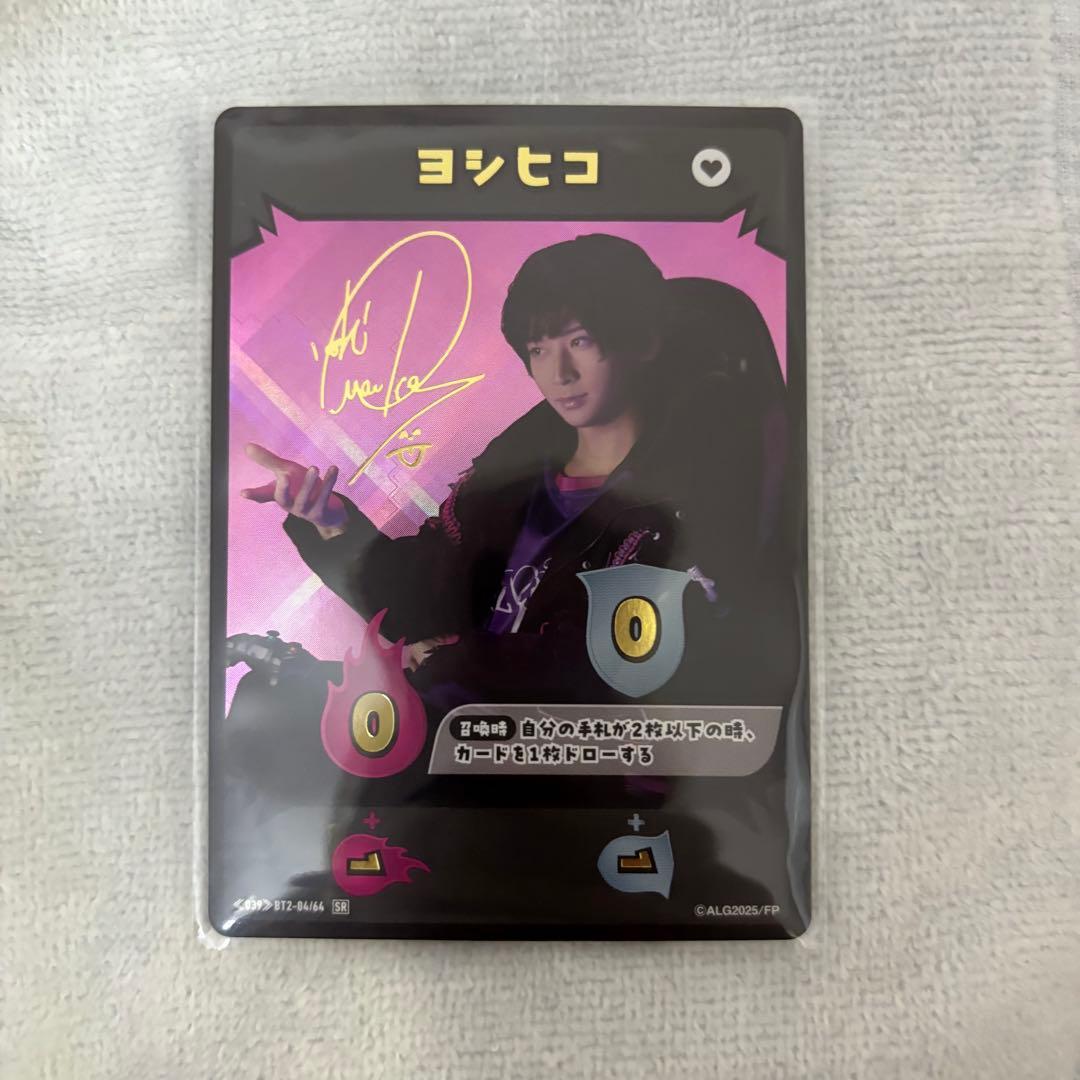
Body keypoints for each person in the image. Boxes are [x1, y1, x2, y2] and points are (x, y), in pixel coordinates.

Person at [241, 233, 798, 707]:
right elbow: (418, 598)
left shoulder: (688, 500)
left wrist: (459, 662)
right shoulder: (508, 486)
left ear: (644, 341)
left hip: (579, 767)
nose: (559, 372)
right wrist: (329, 520)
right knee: (264, 697)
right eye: (538, 349)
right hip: (457, 734)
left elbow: (634, 659)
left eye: (580, 341)